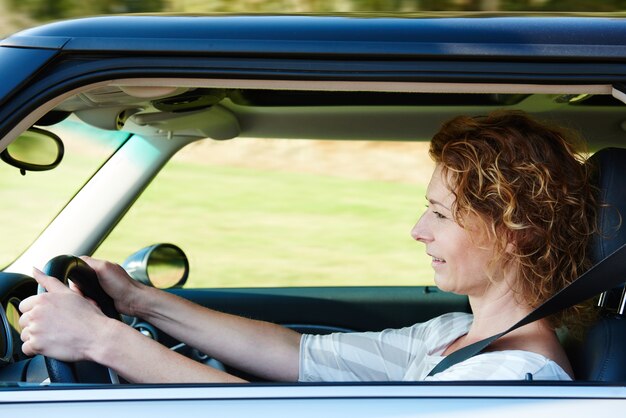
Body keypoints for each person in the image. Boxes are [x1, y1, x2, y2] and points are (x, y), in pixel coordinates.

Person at [18, 110, 597, 383]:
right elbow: (299, 358)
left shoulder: (509, 379)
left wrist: (100, 339)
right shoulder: (451, 336)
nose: (418, 230)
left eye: (442, 214)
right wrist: (140, 302)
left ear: (518, 230)